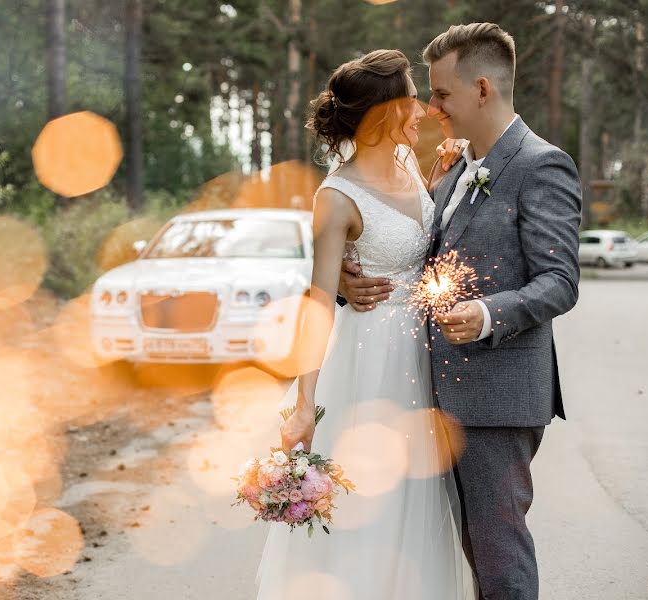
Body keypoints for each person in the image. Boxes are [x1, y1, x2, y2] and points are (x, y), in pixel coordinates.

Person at [337, 23, 582, 600]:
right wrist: (350, 278)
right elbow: (416, 257)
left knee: (498, 553)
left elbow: (560, 281)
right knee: (468, 548)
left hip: (497, 396)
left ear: (481, 89)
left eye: (441, 94)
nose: (431, 105)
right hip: (436, 391)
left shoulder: (540, 165)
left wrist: (489, 313)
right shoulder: (457, 168)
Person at [257, 48, 473, 600]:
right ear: (383, 113)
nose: (423, 110)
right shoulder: (335, 198)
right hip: (368, 363)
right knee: (369, 504)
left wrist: (435, 177)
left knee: (416, 503)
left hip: (421, 360)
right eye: (410, 101)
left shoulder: (409, 169)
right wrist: (305, 404)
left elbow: (413, 243)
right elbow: (318, 302)